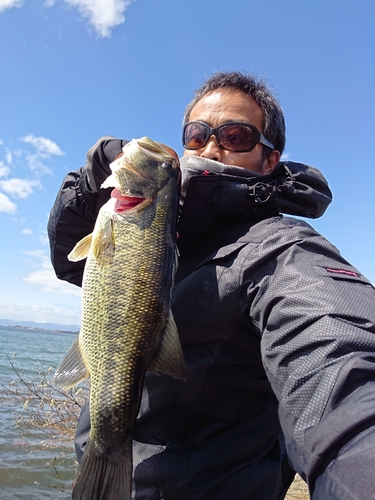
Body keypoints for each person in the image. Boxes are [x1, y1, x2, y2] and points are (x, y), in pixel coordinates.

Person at [47, 71, 375, 500]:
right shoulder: (171, 233)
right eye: (197, 134)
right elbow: (73, 265)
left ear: (269, 159)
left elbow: (338, 357)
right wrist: (88, 183)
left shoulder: (281, 250)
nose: (212, 146)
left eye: (236, 136)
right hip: (109, 470)